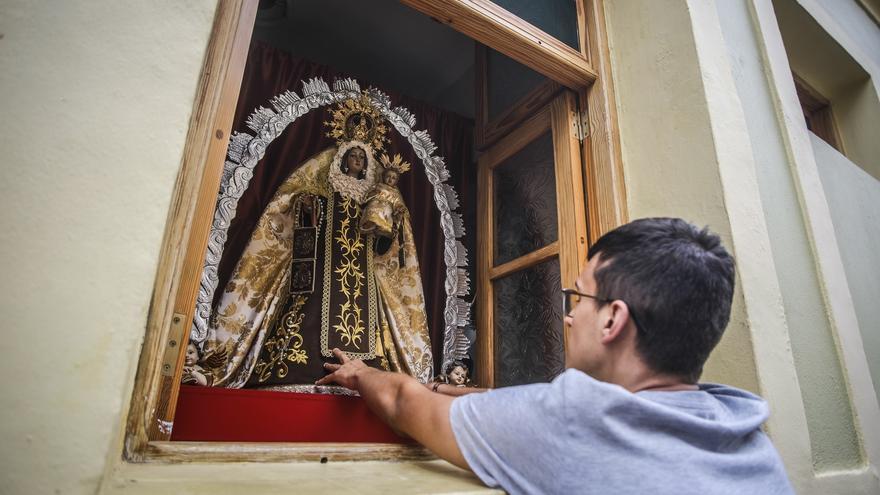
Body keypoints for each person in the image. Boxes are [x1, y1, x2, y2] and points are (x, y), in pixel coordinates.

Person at [317, 217, 794, 494]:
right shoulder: (746, 432)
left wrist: (360, 371)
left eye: (578, 298)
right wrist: (455, 388)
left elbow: (405, 404)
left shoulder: (570, 422)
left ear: (613, 320)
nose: (568, 316)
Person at [199, 95, 433, 391]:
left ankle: (370, 371)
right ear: (343, 157)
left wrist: (388, 227)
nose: (357, 161)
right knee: (309, 308)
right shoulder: (325, 188)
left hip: (363, 276)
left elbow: (384, 247)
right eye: (353, 156)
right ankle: (300, 368)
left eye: (362, 158)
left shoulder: (377, 197)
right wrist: (310, 205)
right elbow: (298, 213)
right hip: (325, 265)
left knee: (370, 323)